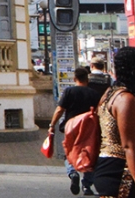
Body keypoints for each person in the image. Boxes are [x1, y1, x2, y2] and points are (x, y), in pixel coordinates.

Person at [94, 46, 135, 198]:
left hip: (108, 167)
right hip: (121, 172)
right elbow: (129, 147)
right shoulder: (126, 99)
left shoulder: (110, 93)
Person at [51, 67, 101, 195]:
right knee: (89, 154)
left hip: (71, 128)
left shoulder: (69, 91)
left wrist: (52, 125)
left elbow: (60, 110)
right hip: (89, 129)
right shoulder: (94, 94)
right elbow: (99, 112)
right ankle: (87, 185)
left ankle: (72, 172)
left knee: (69, 152)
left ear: (75, 78)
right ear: (87, 79)